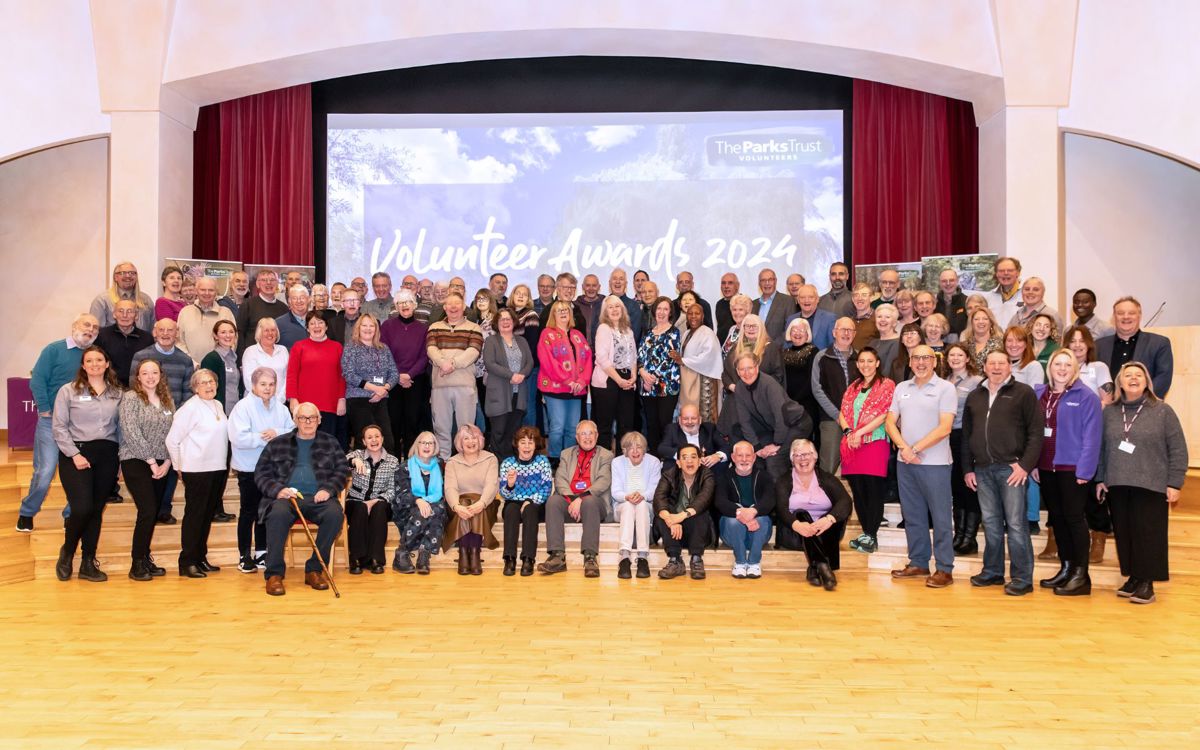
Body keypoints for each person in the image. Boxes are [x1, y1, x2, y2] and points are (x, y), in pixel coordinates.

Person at [1096, 362, 1188, 605]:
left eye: (1139, 375)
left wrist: (1175, 482)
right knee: (1125, 534)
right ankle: (1134, 577)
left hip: (1151, 484)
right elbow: (1102, 448)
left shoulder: (1162, 411)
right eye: (1128, 375)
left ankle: (1147, 581)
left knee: (1148, 534)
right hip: (1117, 482)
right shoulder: (1110, 412)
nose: (1133, 379)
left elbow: (1178, 449)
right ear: (1120, 382)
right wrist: (1101, 478)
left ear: (1147, 381)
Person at [963, 350, 1044, 596]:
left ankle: (1022, 577)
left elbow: (1036, 433)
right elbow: (967, 436)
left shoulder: (1023, 393)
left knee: (1017, 524)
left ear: (1010, 367)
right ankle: (993, 572)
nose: (996, 367)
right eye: (992, 363)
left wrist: (1025, 466)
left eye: (1002, 363)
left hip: (1012, 469)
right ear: (984, 367)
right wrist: (968, 468)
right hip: (983, 469)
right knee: (990, 523)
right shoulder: (975, 396)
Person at [255, 403, 350, 595]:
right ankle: (274, 574)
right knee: (277, 515)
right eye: (303, 418)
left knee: (334, 515)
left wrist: (328, 489)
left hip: (318, 498)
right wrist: (277, 490)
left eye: (312, 418)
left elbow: (342, 470)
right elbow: (261, 474)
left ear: (319, 420)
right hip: (287, 498)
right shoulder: (277, 443)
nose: (307, 422)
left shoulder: (330, 442)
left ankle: (314, 570)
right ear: (295, 420)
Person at [16, 314, 99, 532]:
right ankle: (27, 512)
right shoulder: (54, 350)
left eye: (95, 328)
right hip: (51, 422)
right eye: (86, 325)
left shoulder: (94, 356)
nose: (90, 330)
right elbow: (38, 380)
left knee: (81, 471)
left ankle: (71, 514)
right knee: (45, 471)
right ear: (74, 327)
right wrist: (44, 409)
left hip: (81, 426)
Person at [885, 345, 958, 587]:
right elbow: (889, 423)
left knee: (940, 517)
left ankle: (945, 568)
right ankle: (918, 562)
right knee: (913, 515)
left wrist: (914, 449)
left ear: (935, 362)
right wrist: (904, 449)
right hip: (905, 463)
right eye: (916, 358)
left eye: (926, 357)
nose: (921, 362)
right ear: (910, 362)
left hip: (935, 464)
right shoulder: (901, 388)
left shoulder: (945, 388)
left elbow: (945, 427)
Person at [1032, 350, 1103, 596]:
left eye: (1067, 364)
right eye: (1057, 364)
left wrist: (1085, 470)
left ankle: (1081, 576)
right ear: (1050, 367)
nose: (1062, 369)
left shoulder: (1086, 396)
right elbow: (1032, 432)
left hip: (1073, 469)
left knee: (1074, 519)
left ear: (1074, 369)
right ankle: (1066, 568)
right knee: (1058, 519)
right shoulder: (1039, 393)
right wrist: (1033, 464)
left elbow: (1092, 438)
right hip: (1046, 467)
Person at [51, 346, 122, 582]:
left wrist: (121, 460)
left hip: (108, 455)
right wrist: (74, 454)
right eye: (89, 360)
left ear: (106, 364)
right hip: (77, 454)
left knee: (95, 511)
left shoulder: (117, 392)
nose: (94, 364)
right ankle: (68, 551)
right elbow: (59, 427)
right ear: (83, 365)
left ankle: (88, 562)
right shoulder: (68, 391)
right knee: (81, 508)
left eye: (99, 360)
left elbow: (121, 429)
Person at [164, 369, 230, 579]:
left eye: (211, 381)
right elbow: (172, 440)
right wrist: (178, 466)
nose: (209, 386)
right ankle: (187, 562)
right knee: (195, 516)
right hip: (196, 469)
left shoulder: (217, 405)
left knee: (206, 515)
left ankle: (201, 557)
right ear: (194, 387)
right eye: (203, 383)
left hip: (217, 467)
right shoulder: (189, 409)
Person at [228, 367, 294, 573]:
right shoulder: (242, 407)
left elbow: (292, 432)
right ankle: (244, 555)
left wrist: (277, 432)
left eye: (271, 384)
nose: (268, 388)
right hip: (249, 469)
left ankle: (262, 552)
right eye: (263, 384)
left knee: (266, 512)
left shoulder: (281, 408)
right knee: (248, 512)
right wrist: (265, 438)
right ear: (253, 386)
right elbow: (238, 437)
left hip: (274, 471)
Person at [118, 359, 174, 580]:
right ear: (138, 377)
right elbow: (131, 432)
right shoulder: (130, 398)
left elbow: (174, 434)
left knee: (153, 512)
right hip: (135, 460)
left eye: (154, 372)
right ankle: (137, 564)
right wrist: (151, 461)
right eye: (145, 373)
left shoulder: (167, 400)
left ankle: (145, 557)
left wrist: (167, 462)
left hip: (162, 463)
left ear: (160, 375)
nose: (150, 376)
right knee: (148, 510)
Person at [538, 421, 613, 578]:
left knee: (589, 501)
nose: (587, 437)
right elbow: (560, 480)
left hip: (594, 502)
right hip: (569, 500)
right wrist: (574, 500)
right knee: (553, 502)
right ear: (577, 437)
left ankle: (590, 557)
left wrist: (582, 498)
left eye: (591, 433)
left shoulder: (606, 455)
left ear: (597, 435)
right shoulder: (566, 454)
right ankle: (557, 555)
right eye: (583, 434)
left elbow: (603, 481)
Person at [838, 347, 894, 555]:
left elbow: (884, 414)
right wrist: (849, 432)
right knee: (859, 491)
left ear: (877, 363)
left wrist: (860, 433)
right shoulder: (853, 386)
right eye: (862, 361)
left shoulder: (886, 385)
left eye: (870, 361)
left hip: (874, 442)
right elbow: (842, 412)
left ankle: (872, 535)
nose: (865, 365)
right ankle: (865, 533)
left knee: (873, 491)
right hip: (852, 443)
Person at [775, 438, 852, 590]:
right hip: (795, 533)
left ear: (815, 457)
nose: (802, 459)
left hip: (826, 532)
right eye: (797, 455)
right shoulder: (784, 481)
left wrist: (829, 519)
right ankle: (825, 566)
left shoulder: (827, 478)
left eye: (807, 454)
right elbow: (781, 509)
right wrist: (797, 524)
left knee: (833, 516)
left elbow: (846, 501)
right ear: (792, 460)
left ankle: (815, 567)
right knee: (801, 514)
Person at [733, 352, 813, 479]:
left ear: (757, 367)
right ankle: (764, 495)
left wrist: (777, 444)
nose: (747, 373)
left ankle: (782, 497)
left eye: (750, 368)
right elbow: (744, 421)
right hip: (775, 428)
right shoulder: (739, 389)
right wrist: (756, 447)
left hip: (797, 424)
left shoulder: (769, 384)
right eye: (742, 369)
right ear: (737, 371)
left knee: (774, 461)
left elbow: (781, 417)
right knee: (758, 458)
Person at [426, 293, 484, 460]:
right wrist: (442, 363)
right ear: (444, 307)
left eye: (457, 304)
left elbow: (473, 352)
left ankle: (465, 463)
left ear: (464, 306)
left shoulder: (474, 328)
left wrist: (450, 364)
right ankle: (443, 465)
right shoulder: (434, 327)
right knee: (441, 429)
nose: (453, 307)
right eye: (449, 304)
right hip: (440, 386)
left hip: (465, 386)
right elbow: (431, 350)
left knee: (466, 430)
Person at [538, 299, 593, 463]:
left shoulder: (578, 335)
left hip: (577, 390)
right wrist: (568, 380)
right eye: (559, 310)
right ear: (553, 314)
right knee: (557, 427)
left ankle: (568, 459)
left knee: (571, 428)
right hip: (555, 389)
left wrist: (582, 381)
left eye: (566, 310)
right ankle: (554, 458)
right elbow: (548, 362)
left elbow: (588, 359)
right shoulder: (547, 334)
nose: (563, 313)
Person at [443, 425, 500, 575]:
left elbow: (491, 484)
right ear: (460, 443)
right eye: (466, 438)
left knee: (474, 504)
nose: (470, 441)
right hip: (458, 506)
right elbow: (450, 488)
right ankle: (464, 551)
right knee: (464, 503)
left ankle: (473, 552)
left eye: (474, 437)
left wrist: (482, 503)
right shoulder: (452, 462)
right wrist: (456, 506)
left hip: (486, 504)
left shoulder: (490, 458)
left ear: (480, 440)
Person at [341, 425, 397, 576]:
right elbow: (340, 462)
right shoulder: (357, 454)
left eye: (377, 436)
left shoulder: (392, 461)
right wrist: (353, 461)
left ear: (382, 439)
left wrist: (374, 501)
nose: (374, 440)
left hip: (380, 501)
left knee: (379, 508)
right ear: (364, 442)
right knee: (360, 508)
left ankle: (376, 559)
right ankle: (356, 558)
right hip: (355, 500)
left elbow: (393, 490)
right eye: (369, 437)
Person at [379, 290, 431, 455]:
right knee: (393, 423)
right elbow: (384, 352)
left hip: (415, 381)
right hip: (392, 381)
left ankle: (410, 462)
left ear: (414, 305)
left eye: (408, 302)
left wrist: (409, 375)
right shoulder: (387, 326)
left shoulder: (423, 329)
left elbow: (424, 356)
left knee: (412, 422)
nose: (404, 306)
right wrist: (399, 375)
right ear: (396, 307)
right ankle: (393, 461)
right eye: (400, 303)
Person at [498, 427, 554, 577]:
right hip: (513, 500)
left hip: (536, 503)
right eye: (523, 442)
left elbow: (547, 488)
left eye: (531, 442)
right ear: (516, 445)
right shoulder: (507, 463)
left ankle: (528, 559)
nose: (527, 446)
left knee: (530, 510)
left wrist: (530, 500)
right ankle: (509, 559)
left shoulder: (542, 461)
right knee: (510, 510)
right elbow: (503, 493)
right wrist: (510, 485)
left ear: (536, 445)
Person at [653, 444, 715, 580]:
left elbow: (703, 499)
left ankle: (696, 559)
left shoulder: (707, 475)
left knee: (700, 512)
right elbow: (659, 499)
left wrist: (680, 517)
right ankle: (675, 561)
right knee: (662, 515)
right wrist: (670, 520)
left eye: (693, 457)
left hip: (698, 532)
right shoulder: (668, 475)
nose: (689, 461)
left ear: (700, 461)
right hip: (673, 533)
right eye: (684, 458)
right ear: (678, 463)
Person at [944, 343, 983, 554]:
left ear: (967, 358)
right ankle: (959, 534)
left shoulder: (977, 382)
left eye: (960, 355)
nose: (956, 358)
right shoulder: (943, 381)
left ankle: (970, 537)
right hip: (945, 438)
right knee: (956, 488)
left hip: (966, 437)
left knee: (969, 487)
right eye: (952, 355)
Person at [287, 311, 347, 447]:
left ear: (326, 326)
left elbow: (342, 376)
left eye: (320, 322)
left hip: (330, 404)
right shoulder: (299, 347)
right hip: (305, 406)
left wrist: (341, 399)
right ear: (307, 328)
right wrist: (293, 398)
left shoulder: (337, 347)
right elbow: (292, 374)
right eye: (312, 323)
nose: (316, 326)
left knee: (327, 444)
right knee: (305, 443)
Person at [715, 441, 775, 578]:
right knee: (733, 522)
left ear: (754, 457)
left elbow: (770, 500)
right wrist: (742, 514)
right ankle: (740, 562)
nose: (744, 459)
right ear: (733, 457)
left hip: (759, 532)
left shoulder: (765, 476)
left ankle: (754, 563)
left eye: (748, 455)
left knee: (762, 519)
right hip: (732, 533)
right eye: (740, 455)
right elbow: (720, 502)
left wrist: (753, 512)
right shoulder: (723, 477)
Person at [1095, 296, 1174, 398]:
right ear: (1114, 316)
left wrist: (1139, 401)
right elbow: (1093, 377)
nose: (1126, 317)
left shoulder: (1159, 343)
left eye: (1131, 313)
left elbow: (1163, 378)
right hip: (1108, 410)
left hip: (1146, 408)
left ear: (1139, 316)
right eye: (1120, 313)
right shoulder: (1098, 345)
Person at [390, 431, 447, 575]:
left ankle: (423, 554)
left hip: (434, 508)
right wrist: (418, 500)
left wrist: (426, 502)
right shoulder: (404, 467)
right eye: (423, 442)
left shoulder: (440, 465)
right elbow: (400, 496)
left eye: (431, 443)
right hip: (407, 509)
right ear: (417, 445)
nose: (427, 446)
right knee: (427, 510)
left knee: (437, 507)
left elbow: (443, 492)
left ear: (435, 446)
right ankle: (403, 552)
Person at [341, 314, 399, 453]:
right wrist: (374, 388)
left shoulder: (383, 348)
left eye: (371, 325)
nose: (368, 329)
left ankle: (385, 473)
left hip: (381, 400)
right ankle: (362, 474)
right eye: (364, 325)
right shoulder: (351, 348)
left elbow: (394, 373)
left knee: (387, 441)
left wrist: (384, 389)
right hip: (358, 400)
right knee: (364, 441)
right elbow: (348, 374)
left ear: (376, 329)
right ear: (358, 328)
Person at [482, 307, 534, 458]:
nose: (505, 322)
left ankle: (511, 465)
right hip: (499, 394)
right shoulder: (491, 341)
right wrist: (511, 375)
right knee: (498, 432)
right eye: (501, 319)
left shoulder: (522, 340)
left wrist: (522, 375)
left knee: (514, 432)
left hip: (519, 394)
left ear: (514, 321)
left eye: (508, 319)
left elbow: (530, 362)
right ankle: (497, 465)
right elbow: (490, 363)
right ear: (496, 323)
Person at [610, 431, 662, 580]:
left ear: (644, 448)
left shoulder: (653, 462)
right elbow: (615, 491)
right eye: (630, 447)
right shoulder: (617, 462)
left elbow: (655, 490)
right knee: (627, 506)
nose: (635, 451)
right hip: (622, 505)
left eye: (639, 447)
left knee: (641, 505)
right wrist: (627, 496)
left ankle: (642, 557)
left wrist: (642, 496)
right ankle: (624, 557)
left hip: (647, 507)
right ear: (624, 450)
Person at [811, 317, 860, 474]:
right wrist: (837, 415)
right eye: (842, 329)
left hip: (856, 422)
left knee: (856, 465)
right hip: (831, 419)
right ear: (834, 332)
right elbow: (817, 389)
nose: (846, 333)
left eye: (850, 330)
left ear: (854, 334)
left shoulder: (860, 358)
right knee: (829, 465)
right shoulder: (822, 357)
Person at [589, 295, 638, 453]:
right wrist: (619, 380)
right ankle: (604, 463)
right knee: (605, 425)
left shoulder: (628, 330)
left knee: (626, 424)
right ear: (605, 311)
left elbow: (634, 357)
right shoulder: (603, 328)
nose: (615, 309)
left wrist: (633, 377)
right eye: (611, 307)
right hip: (608, 379)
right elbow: (602, 359)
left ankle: (622, 461)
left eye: (618, 306)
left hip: (626, 378)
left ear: (623, 309)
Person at [637, 296, 682, 449]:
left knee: (665, 424)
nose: (661, 312)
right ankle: (655, 459)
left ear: (670, 313)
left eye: (665, 309)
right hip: (647, 386)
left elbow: (670, 359)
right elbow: (640, 355)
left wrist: (652, 378)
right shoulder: (648, 333)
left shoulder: (674, 332)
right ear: (654, 311)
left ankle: (666, 458)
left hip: (666, 386)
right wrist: (642, 372)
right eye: (659, 308)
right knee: (651, 424)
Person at [675, 301, 723, 424]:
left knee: (705, 416)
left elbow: (708, 357)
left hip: (705, 380)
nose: (693, 316)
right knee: (691, 414)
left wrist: (682, 360)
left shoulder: (707, 333)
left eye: (697, 313)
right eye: (690, 313)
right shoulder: (686, 333)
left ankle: (707, 442)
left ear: (702, 316)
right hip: (690, 379)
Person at [722, 313, 783, 396]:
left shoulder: (771, 348)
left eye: (754, 326)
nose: (751, 329)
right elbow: (725, 373)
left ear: (761, 328)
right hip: (737, 397)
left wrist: (759, 388)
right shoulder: (735, 348)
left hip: (762, 397)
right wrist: (733, 387)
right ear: (743, 328)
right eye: (747, 326)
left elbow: (778, 375)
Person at [177, 277, 235, 364]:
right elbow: (179, 341)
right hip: (189, 367)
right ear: (196, 291)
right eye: (203, 290)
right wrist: (193, 364)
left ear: (216, 292)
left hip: (218, 367)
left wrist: (216, 363)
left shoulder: (225, 313)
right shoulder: (185, 312)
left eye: (211, 290)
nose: (207, 293)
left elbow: (232, 341)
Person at [94, 299, 152, 384]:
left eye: (130, 311)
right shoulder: (102, 336)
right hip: (109, 388)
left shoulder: (147, 338)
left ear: (136, 316)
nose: (125, 315)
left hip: (139, 389)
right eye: (120, 311)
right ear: (114, 314)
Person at [779, 317, 820, 435]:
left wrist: (797, 399)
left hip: (807, 402)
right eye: (794, 330)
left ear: (807, 334)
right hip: (787, 402)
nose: (797, 333)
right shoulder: (783, 352)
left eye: (802, 330)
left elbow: (812, 379)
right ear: (789, 333)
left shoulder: (813, 351)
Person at [91, 261, 155, 331]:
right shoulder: (102, 301)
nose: (128, 276)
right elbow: (95, 330)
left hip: (142, 341)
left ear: (136, 277)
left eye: (132, 273)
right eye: (123, 273)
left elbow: (152, 329)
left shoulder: (146, 300)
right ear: (115, 277)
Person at [235, 269, 288, 352]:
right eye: (264, 280)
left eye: (272, 280)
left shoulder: (284, 308)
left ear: (277, 284)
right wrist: (241, 358)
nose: (268, 283)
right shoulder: (247, 305)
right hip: (253, 358)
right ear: (258, 284)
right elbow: (240, 333)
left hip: (276, 358)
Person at [199, 319, 243, 417]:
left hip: (236, 412)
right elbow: (206, 389)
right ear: (215, 336)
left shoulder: (236, 358)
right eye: (223, 332)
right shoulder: (211, 359)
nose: (228, 335)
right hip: (218, 413)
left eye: (231, 332)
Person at [752, 268, 796, 342]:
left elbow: (790, 328)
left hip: (778, 350)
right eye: (763, 280)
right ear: (759, 283)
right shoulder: (753, 304)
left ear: (775, 281)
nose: (767, 283)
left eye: (770, 279)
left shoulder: (788, 301)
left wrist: (772, 347)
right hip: (756, 350)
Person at [787, 284, 836, 350]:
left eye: (811, 297)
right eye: (802, 297)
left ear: (817, 299)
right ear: (798, 300)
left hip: (820, 359)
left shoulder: (829, 319)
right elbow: (787, 345)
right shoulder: (791, 319)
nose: (806, 300)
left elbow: (833, 346)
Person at [983, 256, 1023, 328]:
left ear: (1018, 273)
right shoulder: (988, 297)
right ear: (996, 274)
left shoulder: (1026, 295)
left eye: (1010, 270)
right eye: (1001, 271)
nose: (1006, 273)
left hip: (1018, 339)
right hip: (994, 339)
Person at [963, 306, 1004, 373]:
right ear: (972, 323)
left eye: (985, 319)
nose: (981, 322)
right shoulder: (965, 346)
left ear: (991, 323)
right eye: (976, 319)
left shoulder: (1001, 345)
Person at [274, 284, 312, 350]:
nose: (299, 301)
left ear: (308, 299)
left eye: (302, 297)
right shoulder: (278, 324)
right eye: (294, 298)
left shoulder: (318, 322)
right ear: (289, 301)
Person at [869, 303, 901, 375]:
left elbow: (888, 372)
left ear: (894, 323)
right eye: (879, 316)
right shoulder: (872, 343)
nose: (882, 320)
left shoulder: (897, 343)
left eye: (887, 317)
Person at [935, 268, 969, 335]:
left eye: (951, 280)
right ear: (939, 283)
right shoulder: (934, 304)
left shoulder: (967, 302)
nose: (948, 284)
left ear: (957, 281)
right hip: (938, 343)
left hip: (962, 343)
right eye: (944, 281)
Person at [849, 283, 879, 350]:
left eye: (864, 295)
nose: (860, 298)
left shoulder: (878, 320)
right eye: (856, 295)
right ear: (853, 299)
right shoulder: (849, 321)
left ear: (871, 298)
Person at [715, 272, 740, 342]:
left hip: (738, 347)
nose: (726, 286)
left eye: (730, 283)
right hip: (722, 348)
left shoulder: (744, 302)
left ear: (737, 286)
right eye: (723, 283)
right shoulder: (719, 304)